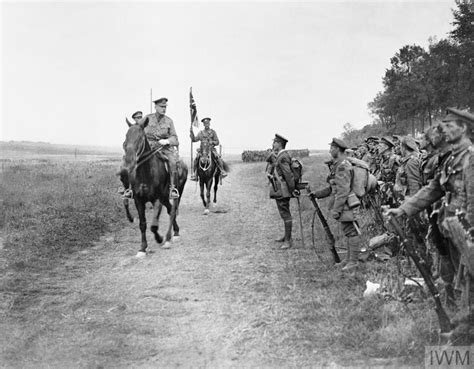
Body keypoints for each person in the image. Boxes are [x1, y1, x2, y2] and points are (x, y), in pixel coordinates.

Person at [386, 108, 474, 342]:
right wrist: (404, 209)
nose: (444, 129)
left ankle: (466, 331)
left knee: (469, 278)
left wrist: (470, 237)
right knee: (460, 279)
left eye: (450, 125)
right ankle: (465, 327)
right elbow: (434, 188)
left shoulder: (471, 158)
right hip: (453, 228)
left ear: (463, 128)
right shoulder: (454, 158)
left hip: (467, 230)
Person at [310, 138, 362, 271]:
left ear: (338, 149)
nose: (330, 150)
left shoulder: (342, 166)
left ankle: (353, 262)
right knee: (348, 231)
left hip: (347, 204)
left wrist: (336, 210)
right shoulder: (339, 164)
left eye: (332, 148)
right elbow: (333, 188)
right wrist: (317, 194)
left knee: (351, 232)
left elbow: (342, 191)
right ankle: (349, 259)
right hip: (345, 203)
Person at [144, 97, 180, 199]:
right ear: (155, 107)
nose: (164, 109)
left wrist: (167, 141)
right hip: (149, 147)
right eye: (161, 107)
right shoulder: (147, 118)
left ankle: (172, 188)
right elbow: (140, 131)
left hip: (164, 148)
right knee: (134, 159)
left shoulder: (169, 121)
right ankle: (130, 188)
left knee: (172, 162)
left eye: (165, 107)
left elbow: (175, 138)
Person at [268, 134, 295, 250]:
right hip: (280, 189)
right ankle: (286, 236)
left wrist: (292, 189)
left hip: (283, 189)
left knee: (285, 213)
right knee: (284, 213)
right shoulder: (281, 155)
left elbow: (288, 175)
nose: (273, 144)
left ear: (279, 144)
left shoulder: (283, 157)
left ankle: (288, 241)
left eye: (275, 142)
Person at [118, 110, 144, 196]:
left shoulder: (145, 126)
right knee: (123, 168)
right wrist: (128, 150)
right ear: (134, 119)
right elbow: (126, 143)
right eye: (137, 118)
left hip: (145, 152)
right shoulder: (132, 129)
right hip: (133, 154)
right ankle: (126, 188)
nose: (139, 119)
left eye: (141, 117)